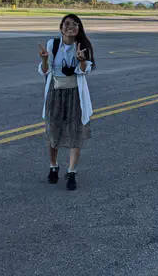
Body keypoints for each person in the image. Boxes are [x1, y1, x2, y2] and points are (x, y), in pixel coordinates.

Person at [37, 14, 95, 190]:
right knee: (53, 131)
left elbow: (85, 71)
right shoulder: (52, 44)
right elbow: (45, 71)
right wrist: (45, 59)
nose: (71, 27)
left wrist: (82, 61)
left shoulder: (83, 46)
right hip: (55, 93)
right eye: (67, 24)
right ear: (61, 27)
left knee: (75, 132)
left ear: (79, 28)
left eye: (75, 24)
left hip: (75, 94)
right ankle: (53, 166)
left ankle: (71, 171)